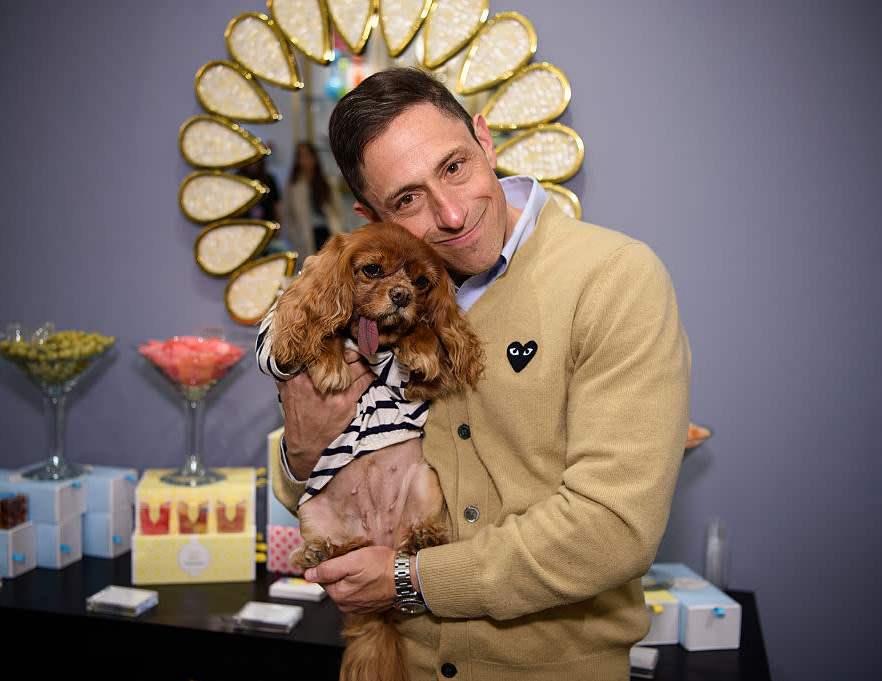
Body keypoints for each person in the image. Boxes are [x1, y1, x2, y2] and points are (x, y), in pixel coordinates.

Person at [268, 67, 691, 680]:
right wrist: (303, 451)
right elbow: (297, 481)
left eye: (454, 166)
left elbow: (614, 529)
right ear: (370, 216)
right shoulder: (373, 296)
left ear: (485, 139)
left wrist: (413, 580)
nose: (451, 212)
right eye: (407, 200)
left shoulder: (614, 278)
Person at [282, 140, 346, 264]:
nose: (306, 160)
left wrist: (339, 232)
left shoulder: (327, 182)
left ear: (315, 158)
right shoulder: (293, 186)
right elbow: (289, 217)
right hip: (306, 236)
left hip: (327, 232)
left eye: (308, 156)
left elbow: (337, 211)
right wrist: (294, 240)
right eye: (302, 157)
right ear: (297, 160)